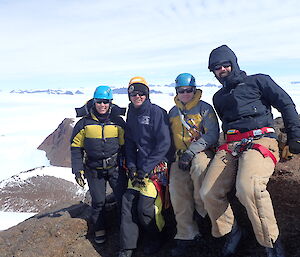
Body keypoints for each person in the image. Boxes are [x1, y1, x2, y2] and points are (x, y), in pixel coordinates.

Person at [200, 45, 300, 257]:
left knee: (248, 187)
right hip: (231, 145)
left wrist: (295, 136)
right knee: (207, 192)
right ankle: (232, 231)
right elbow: (225, 124)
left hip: (261, 139)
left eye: (225, 64)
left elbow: (286, 103)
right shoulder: (219, 97)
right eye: (216, 68)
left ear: (234, 63)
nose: (222, 70)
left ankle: (270, 242)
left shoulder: (259, 81)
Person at [118, 76, 171, 257]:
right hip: (139, 168)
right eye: (134, 94)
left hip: (156, 168)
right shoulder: (131, 113)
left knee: (146, 207)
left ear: (147, 95)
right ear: (129, 96)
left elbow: (164, 144)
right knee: (127, 201)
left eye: (141, 94)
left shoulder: (157, 113)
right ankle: (128, 246)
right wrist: (132, 166)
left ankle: (156, 237)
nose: (137, 97)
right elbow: (130, 142)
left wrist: (145, 168)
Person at [168, 73, 220, 256]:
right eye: (181, 91)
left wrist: (192, 151)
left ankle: (203, 215)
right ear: (177, 91)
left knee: (199, 170)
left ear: (194, 89)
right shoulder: (173, 113)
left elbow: (212, 133)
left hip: (200, 152)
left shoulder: (204, 109)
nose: (185, 94)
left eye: (189, 90)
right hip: (180, 156)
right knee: (176, 186)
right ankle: (186, 233)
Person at [70, 85, 127, 245]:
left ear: (111, 103)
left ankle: (124, 226)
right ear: (94, 102)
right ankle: (100, 228)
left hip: (115, 167)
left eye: (106, 102)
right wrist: (77, 169)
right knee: (98, 201)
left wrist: (128, 165)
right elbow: (76, 147)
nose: (102, 105)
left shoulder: (118, 122)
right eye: (99, 101)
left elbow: (124, 146)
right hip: (93, 169)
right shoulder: (83, 124)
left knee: (122, 198)